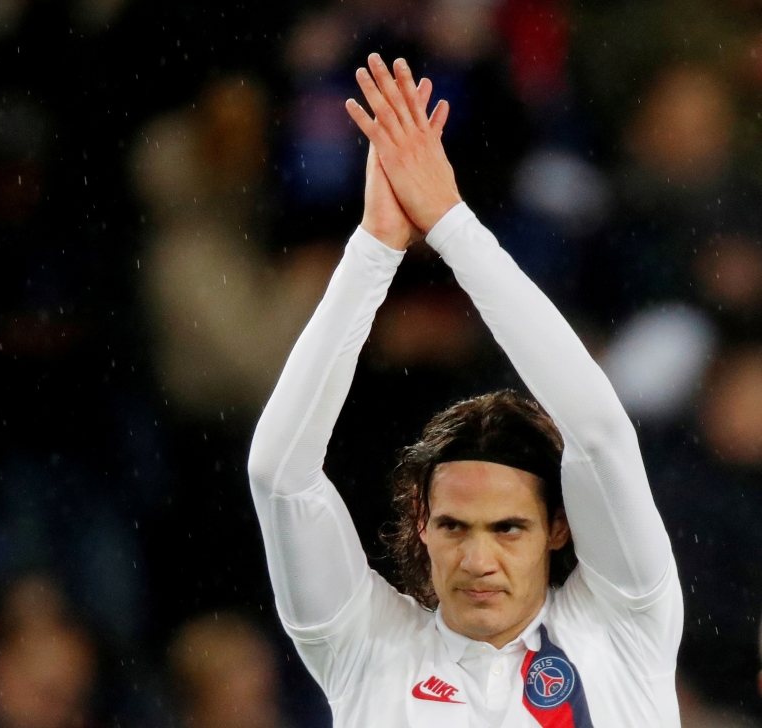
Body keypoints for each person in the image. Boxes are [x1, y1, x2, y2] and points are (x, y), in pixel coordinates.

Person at [246, 53, 682, 728]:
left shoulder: (624, 628)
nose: (479, 560)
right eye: (454, 526)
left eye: (508, 528)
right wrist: (374, 249)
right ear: (422, 524)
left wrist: (451, 224)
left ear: (557, 528)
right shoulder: (365, 649)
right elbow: (279, 477)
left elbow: (598, 432)